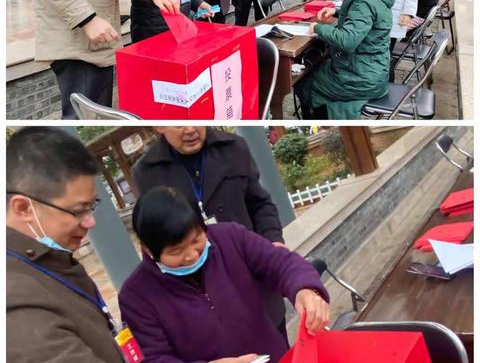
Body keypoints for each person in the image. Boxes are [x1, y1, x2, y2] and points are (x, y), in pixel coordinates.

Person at [119, 186, 330, 363]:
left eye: (196, 240)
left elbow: (280, 262)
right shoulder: (136, 296)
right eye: (176, 251)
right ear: (148, 249)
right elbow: (153, 358)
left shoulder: (230, 238)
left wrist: (305, 290)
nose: (191, 255)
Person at [133, 126, 288, 337]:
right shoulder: (146, 171)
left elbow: (260, 204)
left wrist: (273, 242)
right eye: (178, 124)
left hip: (251, 277)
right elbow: (156, 232)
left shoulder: (234, 147)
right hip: (201, 295)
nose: (190, 129)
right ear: (158, 126)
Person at [6, 127, 125, 362]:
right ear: (23, 208)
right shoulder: (14, 298)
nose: (90, 221)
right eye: (78, 211)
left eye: (92, 206)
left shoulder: (48, 260)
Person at [295, 0, 394, 120]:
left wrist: (318, 28)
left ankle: (319, 120)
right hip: (373, 71)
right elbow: (368, 17)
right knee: (317, 65)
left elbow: (347, 41)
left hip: (359, 79)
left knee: (304, 80)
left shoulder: (361, 1)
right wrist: (337, 12)